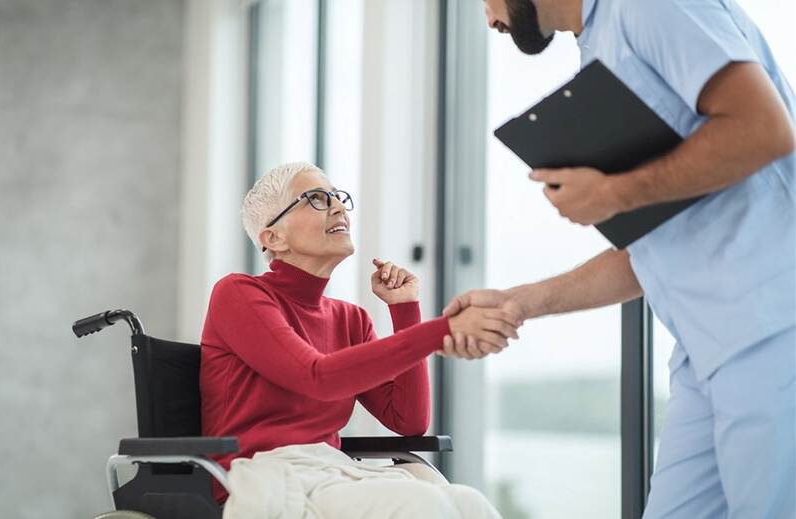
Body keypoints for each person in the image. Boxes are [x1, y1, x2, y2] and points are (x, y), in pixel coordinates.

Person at [442, 0, 796, 517]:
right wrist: (518, 303)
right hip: (706, 357)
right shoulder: (599, 55)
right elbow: (652, 253)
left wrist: (617, 192)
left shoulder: (650, 6)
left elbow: (766, 128)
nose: (489, 18)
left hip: (770, 329)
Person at [201, 161, 511, 518]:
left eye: (338, 197)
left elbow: (408, 421)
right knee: (423, 504)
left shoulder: (350, 319)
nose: (337, 206)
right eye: (316, 198)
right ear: (274, 237)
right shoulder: (238, 293)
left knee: (469, 503)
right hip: (263, 474)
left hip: (329, 469)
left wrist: (405, 310)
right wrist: (443, 330)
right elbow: (316, 377)